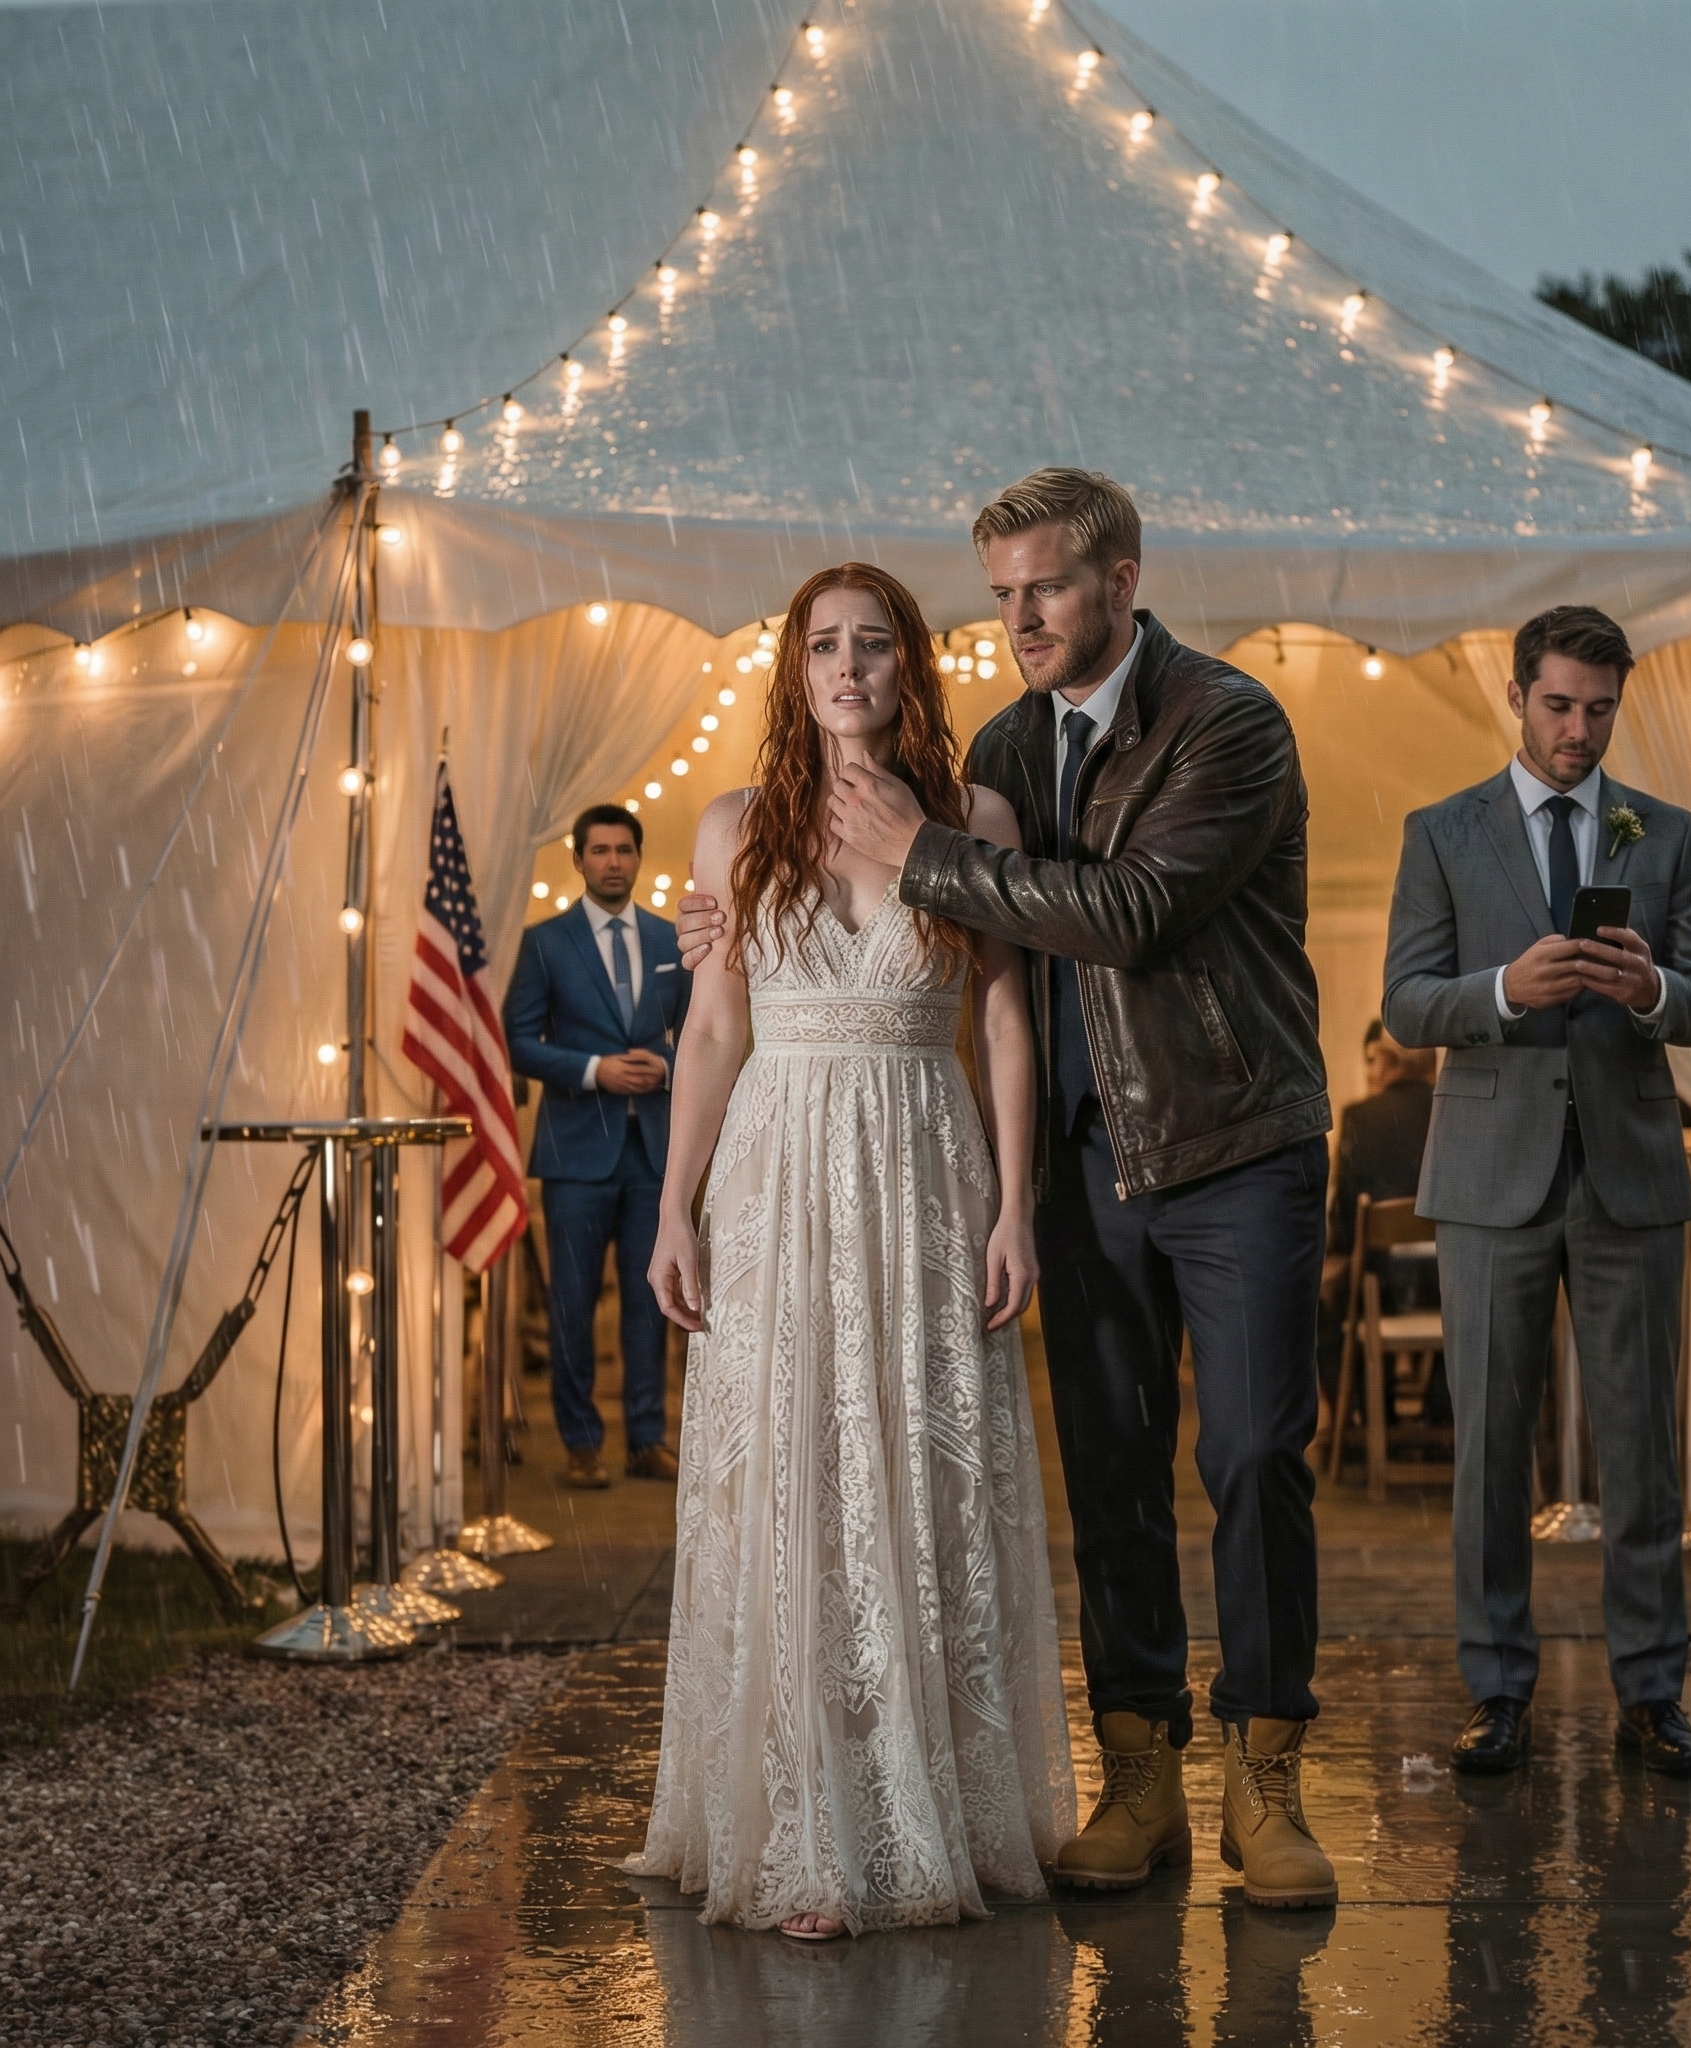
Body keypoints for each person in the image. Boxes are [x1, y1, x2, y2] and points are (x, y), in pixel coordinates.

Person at [820, 469, 1338, 1911]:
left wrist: (926, 855)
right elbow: (943, 950)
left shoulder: (1226, 721)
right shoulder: (999, 745)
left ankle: (1267, 1772)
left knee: (1248, 1459)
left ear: (1121, 576)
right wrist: (736, 912)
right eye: (998, 595)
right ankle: (1143, 1768)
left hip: (1238, 1143)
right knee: (1111, 1474)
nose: (1019, 619)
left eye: (1043, 587)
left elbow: (1130, 914)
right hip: (1082, 1163)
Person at [627, 563, 1073, 1940]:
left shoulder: (976, 816)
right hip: (775, 1171)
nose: (849, 665)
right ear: (795, 671)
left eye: (874, 643)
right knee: (794, 1473)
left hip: (922, 1166)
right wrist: (673, 1206)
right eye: (823, 645)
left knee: (918, 1474)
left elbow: (1006, 1019)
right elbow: (711, 1031)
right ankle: (805, 1822)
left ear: (909, 666)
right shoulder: (731, 825)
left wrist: (1015, 1205)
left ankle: (923, 1810)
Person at [1381, 604, 1691, 1780]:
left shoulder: (1665, 832)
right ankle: (1495, 1690)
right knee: (1487, 1443)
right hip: (1489, 1179)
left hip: (1630, 1172)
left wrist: (1648, 991)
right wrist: (1500, 986)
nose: (1577, 730)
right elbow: (1404, 1002)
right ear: (1517, 696)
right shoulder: (1441, 831)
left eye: (1597, 710)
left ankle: (1650, 1690)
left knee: (1642, 1447)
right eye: (1558, 705)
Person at [505, 805, 689, 1489]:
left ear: (639, 858)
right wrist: (592, 1070)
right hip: (576, 1154)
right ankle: (581, 1443)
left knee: (650, 1302)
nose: (613, 861)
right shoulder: (544, 944)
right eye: (600, 851)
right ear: (577, 860)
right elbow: (517, 1040)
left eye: (624, 850)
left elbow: (705, 1031)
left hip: (652, 1153)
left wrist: (666, 1068)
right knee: (572, 1306)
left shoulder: (673, 939)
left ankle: (648, 1439)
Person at [1319, 1020, 1440, 1426]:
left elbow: (1348, 1223)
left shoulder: (1360, 1119)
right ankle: (1442, 1420)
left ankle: (1367, 1423)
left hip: (1382, 1286)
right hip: (1451, 1285)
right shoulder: (1455, 1114)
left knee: (1325, 1304)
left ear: (1388, 1062)